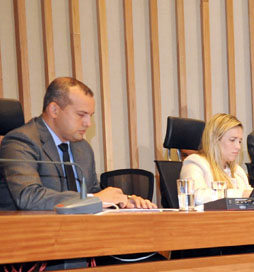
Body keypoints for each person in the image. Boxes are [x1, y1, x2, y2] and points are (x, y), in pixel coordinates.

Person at [0, 77, 155, 210]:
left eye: (90, 115)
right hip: (32, 231)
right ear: (54, 110)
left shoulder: (82, 147)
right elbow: (28, 196)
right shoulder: (21, 141)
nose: (88, 123)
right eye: (81, 115)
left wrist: (123, 201)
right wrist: (94, 198)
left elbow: (94, 191)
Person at [179, 113, 251, 207]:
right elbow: (196, 196)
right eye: (232, 140)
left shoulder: (238, 171)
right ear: (215, 140)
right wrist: (241, 194)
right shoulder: (195, 163)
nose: (238, 147)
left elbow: (250, 194)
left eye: (240, 141)